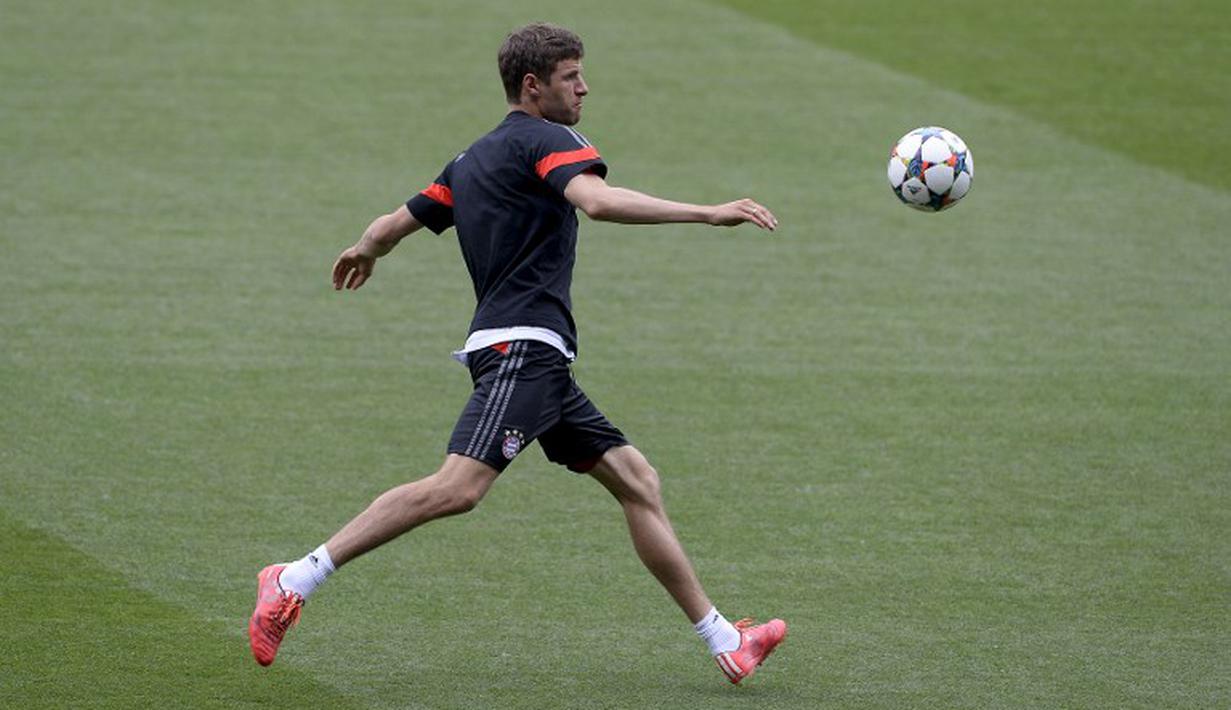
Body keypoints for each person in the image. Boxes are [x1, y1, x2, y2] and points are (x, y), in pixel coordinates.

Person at [248, 22, 786, 685]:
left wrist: (365, 249)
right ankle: (294, 578)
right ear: (533, 86)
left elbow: (391, 225)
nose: (584, 88)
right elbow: (597, 202)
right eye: (571, 77)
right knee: (458, 489)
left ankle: (726, 640)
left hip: (533, 358)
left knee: (637, 481)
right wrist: (707, 212)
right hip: (521, 350)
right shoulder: (549, 140)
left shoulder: (469, 160)